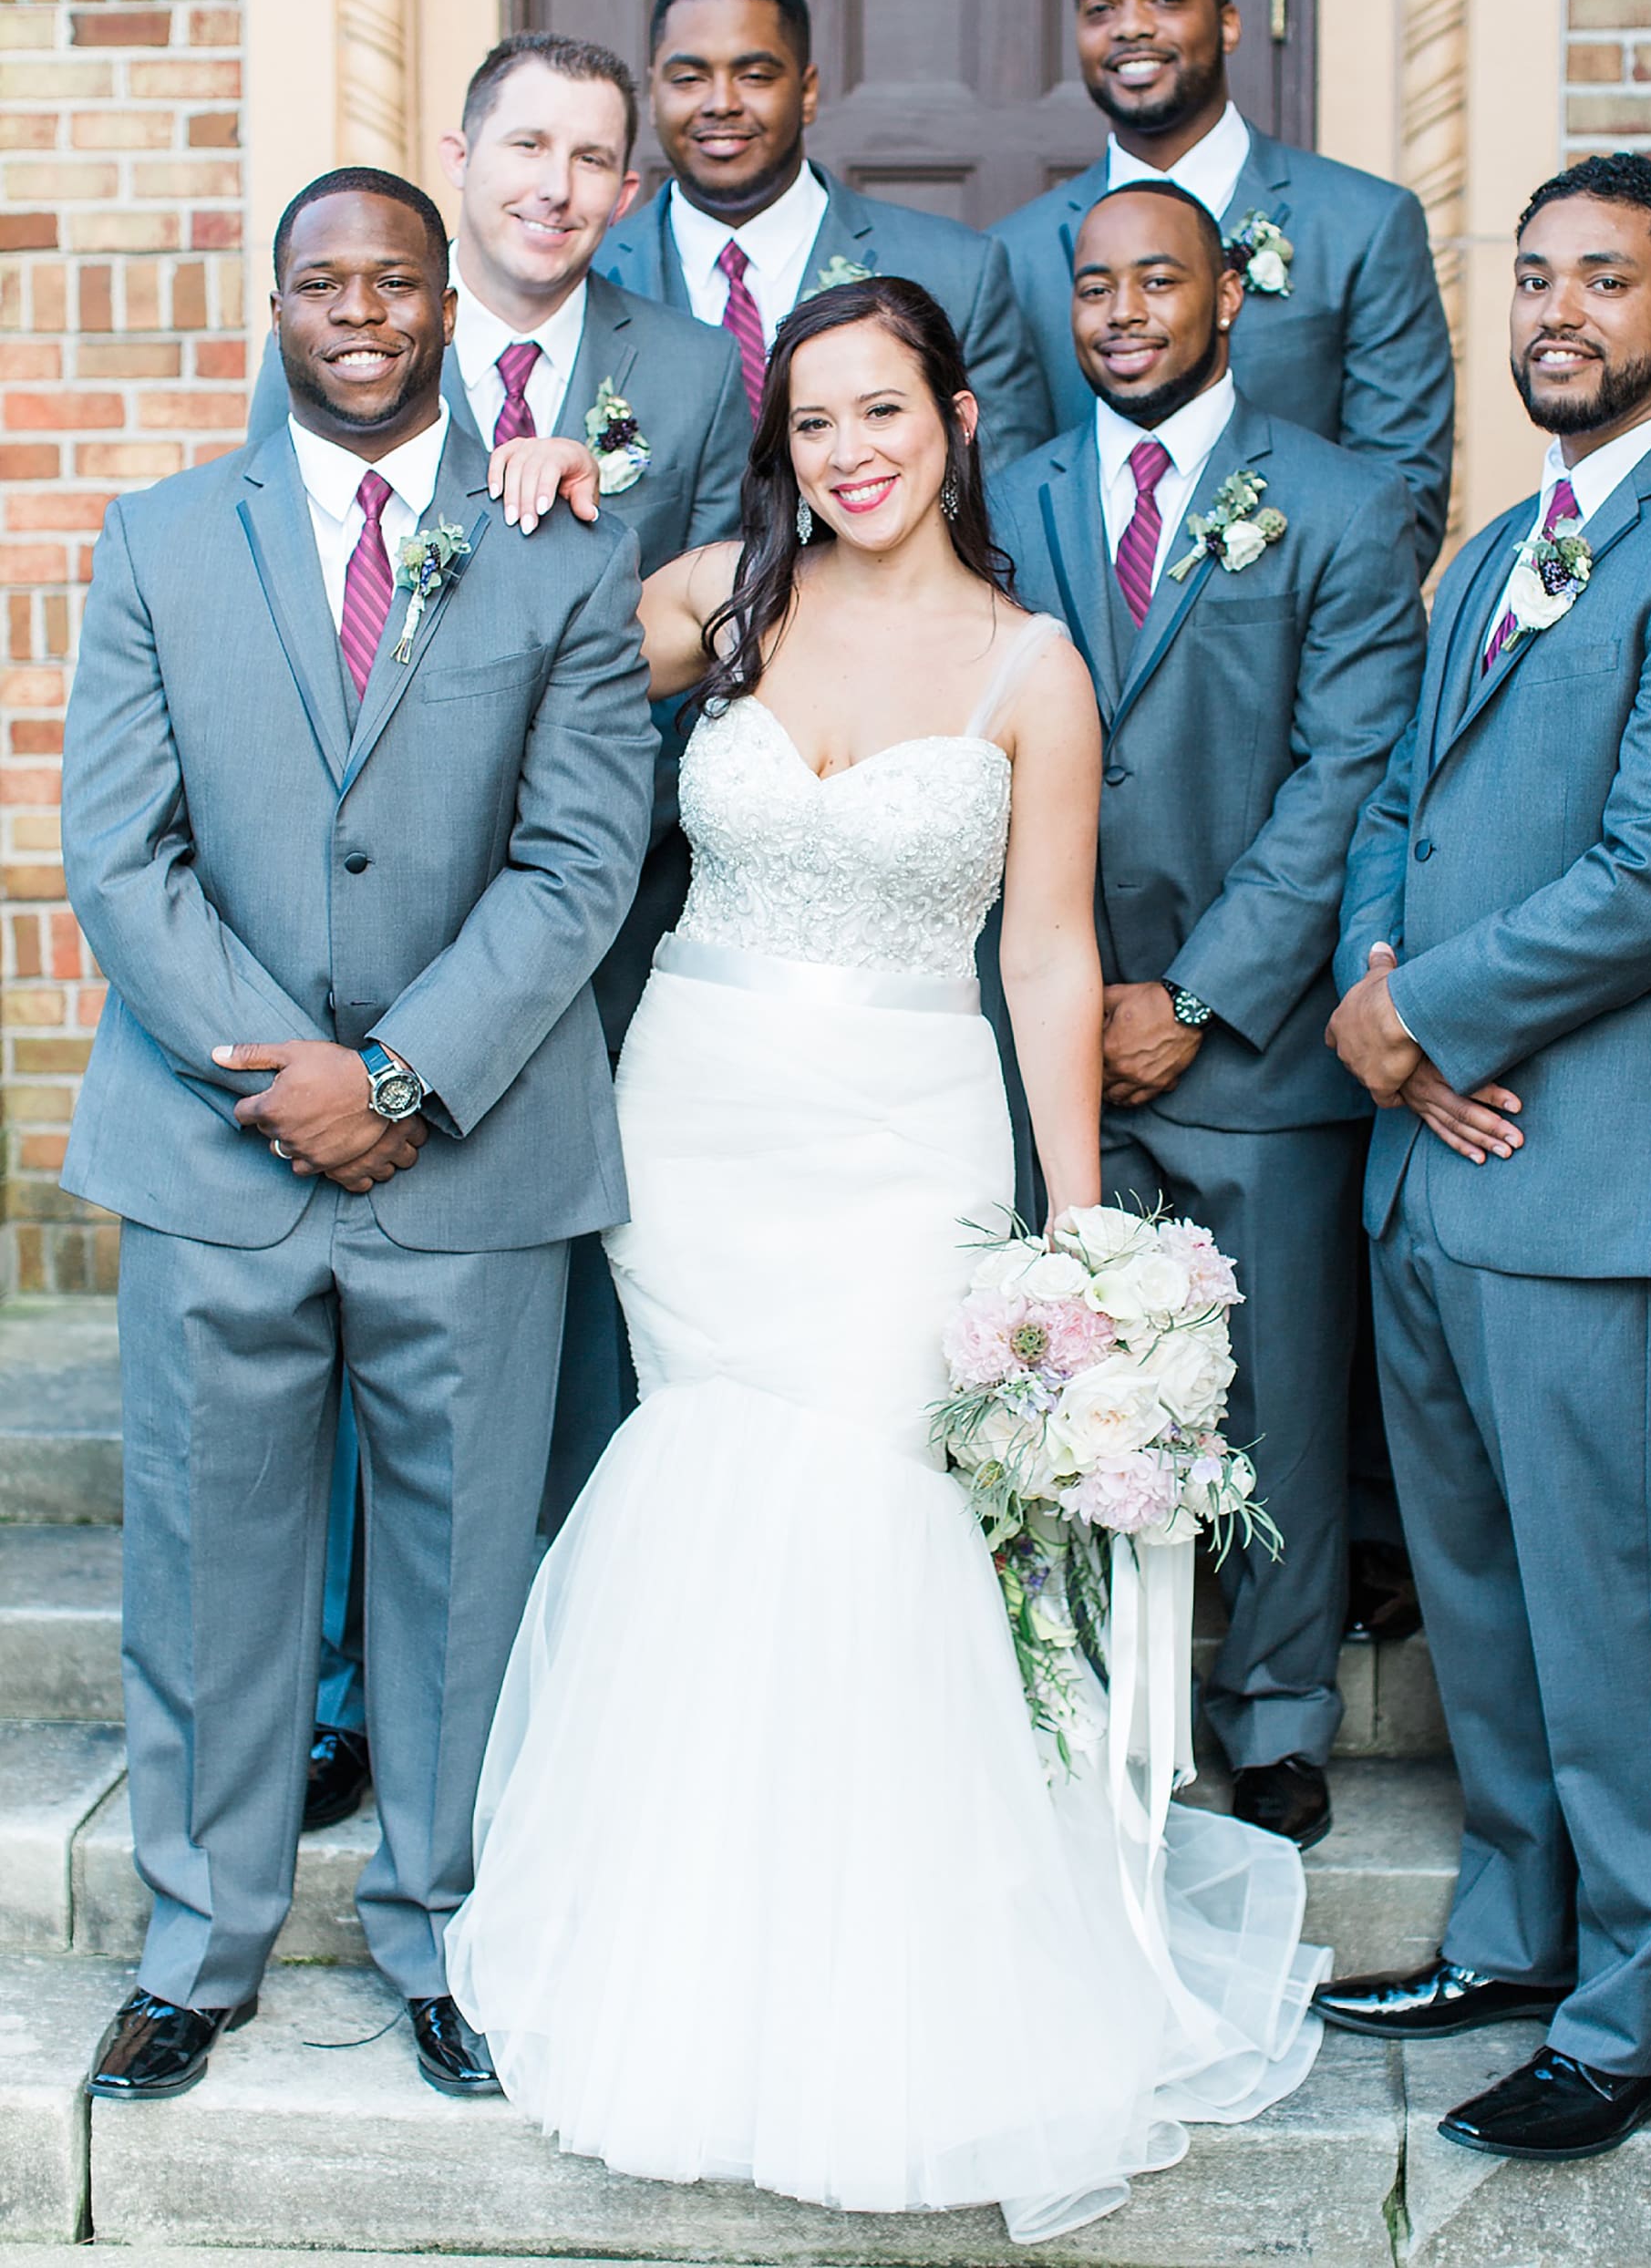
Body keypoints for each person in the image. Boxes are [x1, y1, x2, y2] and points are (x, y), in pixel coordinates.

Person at [443, 276, 1330, 2236]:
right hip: (699, 1123)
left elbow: (1045, 954)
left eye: (883, 413)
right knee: (717, 1494)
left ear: (950, 417)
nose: (849, 453)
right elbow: (509, 641)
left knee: (867, 1504)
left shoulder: (1030, 670)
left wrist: (1082, 1231)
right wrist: (537, 480)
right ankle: (693, 1946)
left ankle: (887, 1981)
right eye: (814, 423)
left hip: (905, 1141)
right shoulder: (719, 602)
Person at [65, 168, 655, 2105]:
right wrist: (286, 1076)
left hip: (472, 1165)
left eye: (391, 278)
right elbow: (118, 853)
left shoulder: (560, 553)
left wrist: (396, 1078)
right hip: (214, 1157)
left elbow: (581, 861)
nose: (357, 308)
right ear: (279, 299)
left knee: (461, 1575)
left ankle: (446, 1933)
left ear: (443, 305)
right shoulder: (157, 540)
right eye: (322, 279)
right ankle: (194, 1945)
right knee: (212, 1571)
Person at [1318, 153, 1651, 2160]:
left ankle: (1639, 2016)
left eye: (1602, 280)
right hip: (1439, 1156)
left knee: (1611, 1598)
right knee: (1483, 1586)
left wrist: (1422, 1012)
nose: (1555, 313)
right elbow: (1398, 805)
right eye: (1533, 279)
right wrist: (1375, 991)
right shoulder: (1494, 547)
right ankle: (1519, 1925)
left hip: (1607, 1170)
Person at [248, 34, 748, 1829]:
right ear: (461, 153)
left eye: (592, 155)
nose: (554, 179)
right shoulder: (354, 333)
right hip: (363, 950)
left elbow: (716, 641)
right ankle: (330, 1696)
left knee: (543, 1333)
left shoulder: (687, 378)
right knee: (349, 1320)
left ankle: (530, 1674)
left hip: (584, 923)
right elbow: (285, 634)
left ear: (630, 189)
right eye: (524, 141)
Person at [990, 182, 1425, 1855]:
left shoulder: (1339, 499)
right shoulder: (1007, 501)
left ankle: (1281, 1711)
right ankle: (1086, 1690)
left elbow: (1347, 775)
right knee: (1064, 1380)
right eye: (1092, 286)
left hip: (1249, 1038)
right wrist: (1067, 993)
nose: (1118, 312)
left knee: (1282, 1402)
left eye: (1155, 281)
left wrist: (1197, 990)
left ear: (1228, 295)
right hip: (1043, 1026)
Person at [992, 0, 1455, 577]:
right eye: (1101, 8)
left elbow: (1400, 494)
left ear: (1230, 23)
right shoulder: (1016, 254)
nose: (1130, 26)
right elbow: (1009, 507)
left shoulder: (1363, 224)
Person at [595, 0, 1049, 469]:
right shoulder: (592, 275)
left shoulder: (959, 274)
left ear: (807, 91)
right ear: (652, 95)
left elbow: (1001, 496)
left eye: (755, 76)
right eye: (689, 79)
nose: (720, 102)